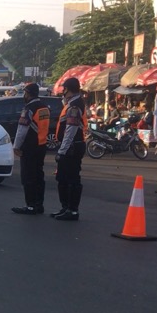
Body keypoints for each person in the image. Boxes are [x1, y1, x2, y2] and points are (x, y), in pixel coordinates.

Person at [50, 77, 88, 221]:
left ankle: (72, 210)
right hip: (72, 146)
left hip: (72, 147)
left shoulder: (74, 106)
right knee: (63, 179)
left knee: (71, 179)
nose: (62, 92)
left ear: (68, 89)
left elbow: (70, 130)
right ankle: (65, 207)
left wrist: (62, 151)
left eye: (64, 89)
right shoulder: (72, 103)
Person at [11, 83, 50, 215]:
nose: (24, 95)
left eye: (25, 93)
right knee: (39, 176)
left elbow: (22, 129)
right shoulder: (44, 107)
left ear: (28, 93)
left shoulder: (29, 109)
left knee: (28, 177)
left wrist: (16, 146)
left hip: (30, 147)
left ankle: (31, 206)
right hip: (41, 145)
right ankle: (39, 204)